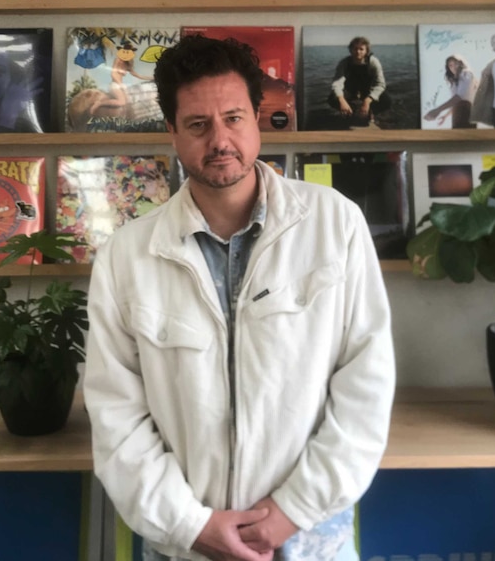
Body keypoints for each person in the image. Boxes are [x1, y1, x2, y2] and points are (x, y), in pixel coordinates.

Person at [83, 35, 396, 561]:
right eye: (198, 125)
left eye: (233, 118)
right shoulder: (125, 257)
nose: (219, 140)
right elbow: (117, 416)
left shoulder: (334, 223)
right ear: (172, 133)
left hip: (310, 537)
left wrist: (291, 511)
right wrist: (191, 524)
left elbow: (366, 381)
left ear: (257, 116)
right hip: (185, 543)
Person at [327, 36, 393, 125]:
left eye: (361, 49)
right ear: (350, 50)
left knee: (387, 100)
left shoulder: (373, 62)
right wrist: (342, 100)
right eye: (355, 49)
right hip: (351, 89)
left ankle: (371, 112)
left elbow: (380, 84)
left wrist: (367, 101)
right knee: (332, 99)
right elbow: (337, 83)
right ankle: (350, 110)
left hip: (368, 89)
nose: (358, 52)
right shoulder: (344, 63)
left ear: (366, 51)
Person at [423, 55, 477, 128]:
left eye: (456, 63)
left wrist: (438, 110)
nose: (454, 67)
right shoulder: (456, 81)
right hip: (459, 113)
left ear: (461, 63)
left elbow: (460, 98)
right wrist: (445, 116)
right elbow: (457, 101)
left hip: (466, 113)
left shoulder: (465, 74)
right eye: (450, 65)